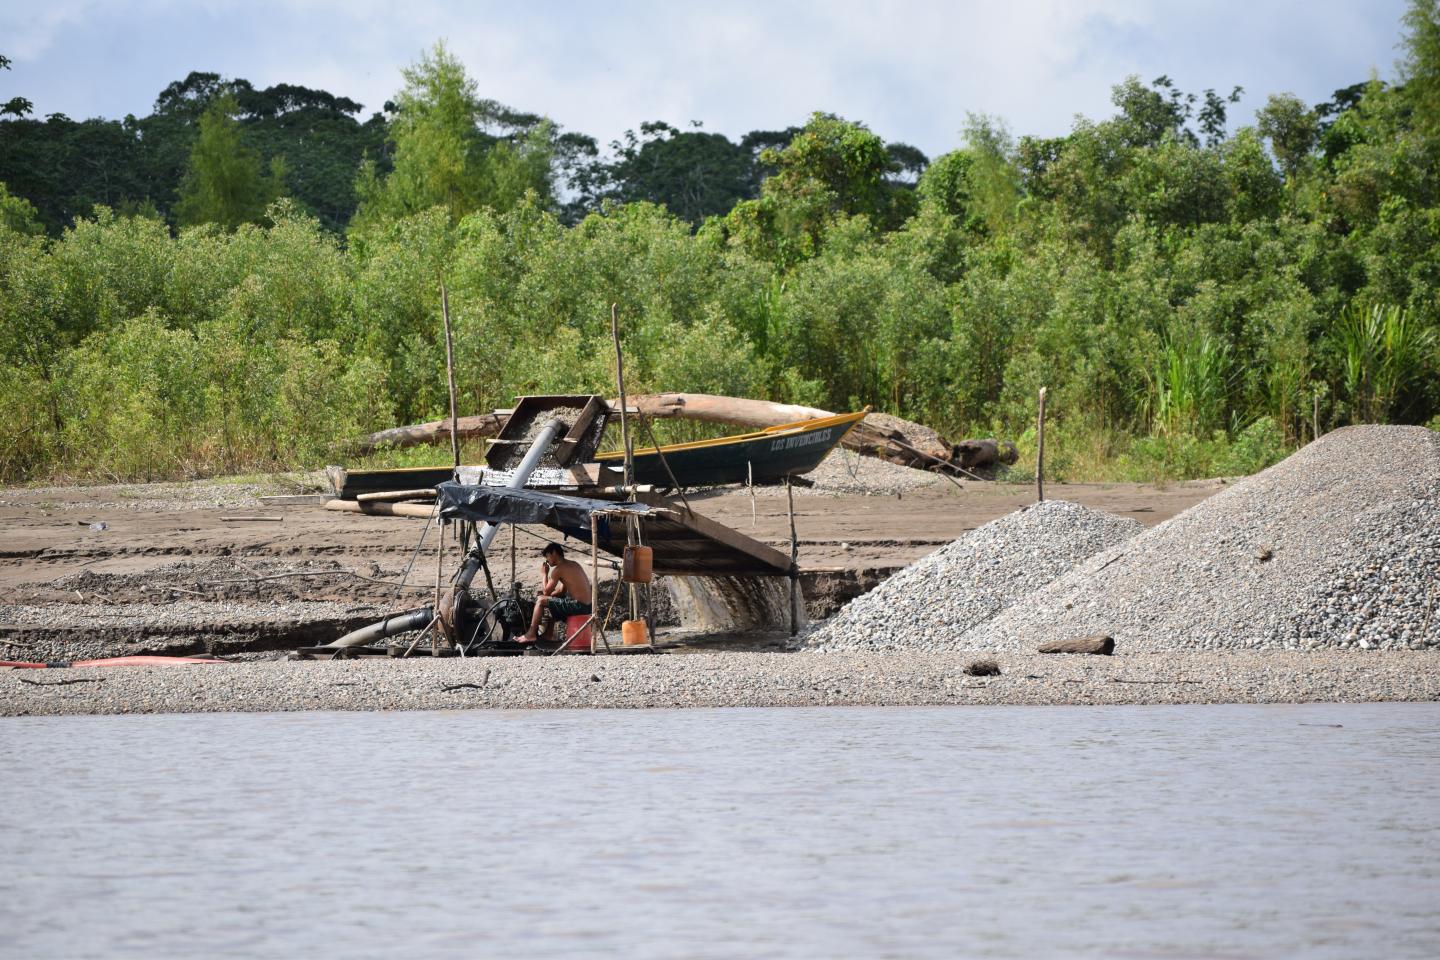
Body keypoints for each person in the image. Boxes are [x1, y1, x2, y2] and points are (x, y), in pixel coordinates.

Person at [520, 543, 592, 644]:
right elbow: (561, 591)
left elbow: (546, 591)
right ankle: (549, 634)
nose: (547, 561)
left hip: (579, 606)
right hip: (588, 606)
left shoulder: (559, 569)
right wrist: (548, 597)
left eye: (547, 556)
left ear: (554, 553)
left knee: (541, 601)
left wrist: (544, 574)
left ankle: (531, 634)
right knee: (555, 598)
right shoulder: (573, 564)